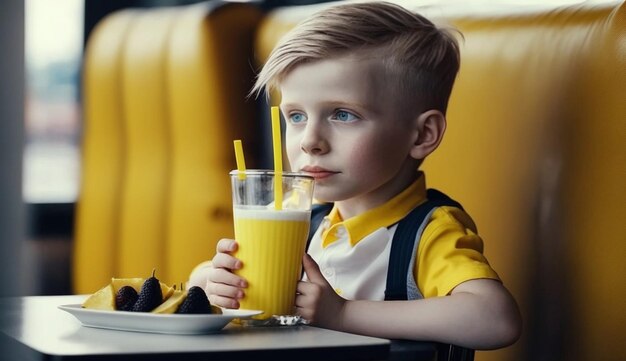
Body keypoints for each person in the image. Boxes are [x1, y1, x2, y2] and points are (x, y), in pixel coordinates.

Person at [188, 1, 522, 350]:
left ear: (422, 135)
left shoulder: (428, 233)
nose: (311, 142)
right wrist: (215, 281)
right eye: (297, 116)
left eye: (343, 115)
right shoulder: (304, 223)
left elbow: (495, 319)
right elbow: (205, 278)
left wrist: (343, 314)